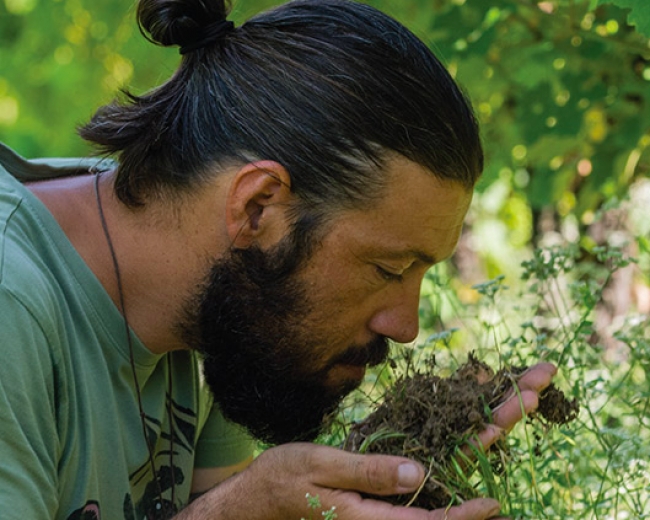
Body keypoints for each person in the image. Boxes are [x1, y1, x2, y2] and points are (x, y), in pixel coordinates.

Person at [0, 0, 557, 518]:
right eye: (389, 269)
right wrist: (249, 504)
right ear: (258, 205)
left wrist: (369, 485)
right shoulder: (12, 300)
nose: (406, 327)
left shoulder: (224, 302)